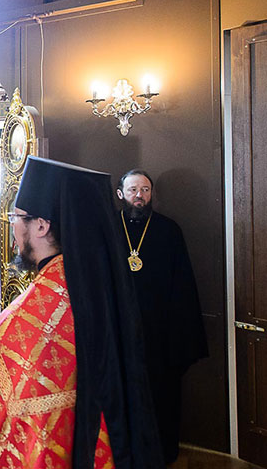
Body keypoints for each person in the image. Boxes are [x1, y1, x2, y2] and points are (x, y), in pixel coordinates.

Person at [0, 157, 162, 467]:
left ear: (42, 225)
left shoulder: (45, 302)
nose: (12, 226)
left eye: (17, 216)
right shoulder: (92, 279)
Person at [117, 169, 208, 464]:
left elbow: (183, 286)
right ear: (120, 194)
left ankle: (163, 451)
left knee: (162, 394)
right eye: (133, 190)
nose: (139, 196)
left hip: (160, 333)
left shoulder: (169, 230)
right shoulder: (109, 229)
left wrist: (180, 335)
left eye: (145, 190)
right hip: (119, 331)